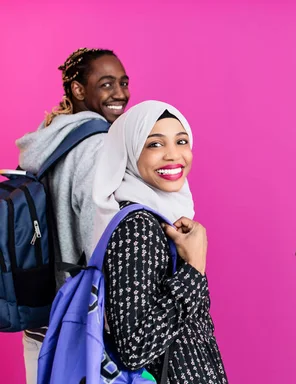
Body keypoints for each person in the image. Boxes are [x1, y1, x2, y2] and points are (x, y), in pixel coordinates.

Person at [91, 100, 228, 383]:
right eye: (155, 144)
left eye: (181, 141)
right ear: (129, 152)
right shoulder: (137, 228)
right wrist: (193, 270)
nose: (173, 155)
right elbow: (134, 349)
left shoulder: (164, 219)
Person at [15, 47, 129, 384]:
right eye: (106, 84)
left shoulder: (47, 138)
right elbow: (97, 236)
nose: (120, 93)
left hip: (39, 319)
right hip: (80, 325)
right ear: (78, 90)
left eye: (123, 82)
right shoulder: (98, 146)